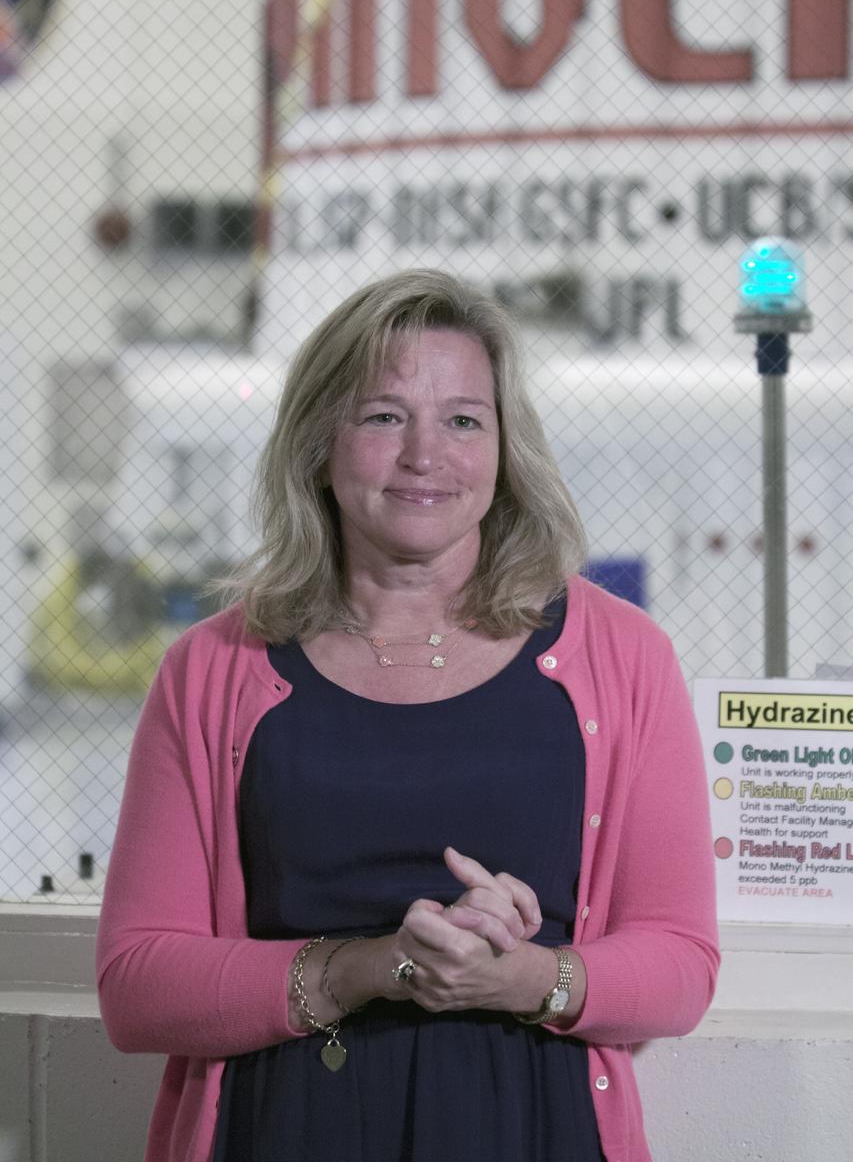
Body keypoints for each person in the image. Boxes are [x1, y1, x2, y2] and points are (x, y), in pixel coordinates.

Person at [96, 269, 719, 1162]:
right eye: (384, 416)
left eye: (464, 419)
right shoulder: (211, 670)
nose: (426, 456)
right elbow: (137, 987)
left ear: (505, 447)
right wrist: (373, 965)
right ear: (320, 441)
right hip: (280, 1131)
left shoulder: (622, 657)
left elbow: (679, 968)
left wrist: (521, 976)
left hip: (532, 1129)